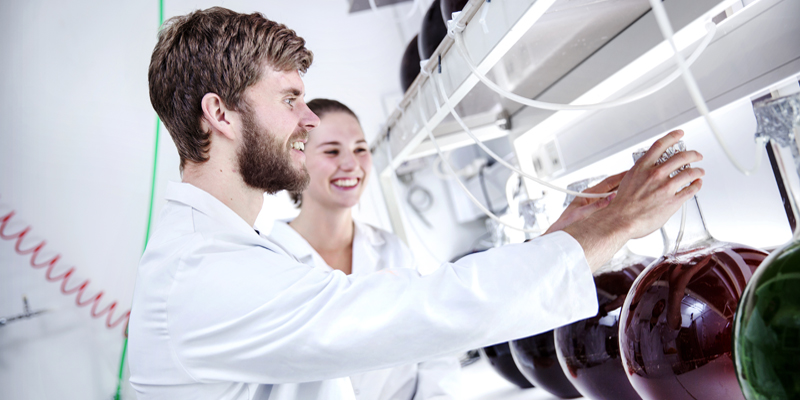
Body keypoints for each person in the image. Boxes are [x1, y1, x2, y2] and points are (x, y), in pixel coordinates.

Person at [127, 7, 705, 400]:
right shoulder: (200, 277)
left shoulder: (235, 254)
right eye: (290, 99)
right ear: (221, 114)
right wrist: (606, 231)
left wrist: (559, 241)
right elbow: (414, 311)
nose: (307, 119)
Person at [268, 98, 461, 400]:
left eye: (360, 149)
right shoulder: (272, 262)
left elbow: (434, 345)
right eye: (332, 151)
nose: (352, 164)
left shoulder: (393, 251)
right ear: (297, 158)